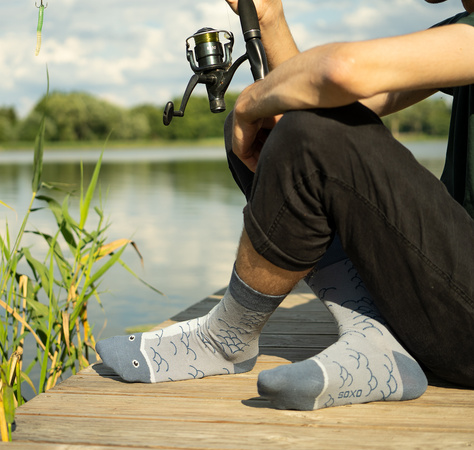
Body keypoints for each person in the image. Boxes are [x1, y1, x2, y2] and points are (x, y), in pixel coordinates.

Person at [96, 0, 474, 411]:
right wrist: (269, 17)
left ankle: (226, 339)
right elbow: (317, 107)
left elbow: (339, 71)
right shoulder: (460, 30)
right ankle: (374, 342)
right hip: (445, 299)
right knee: (270, 131)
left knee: (287, 121)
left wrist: (252, 99)